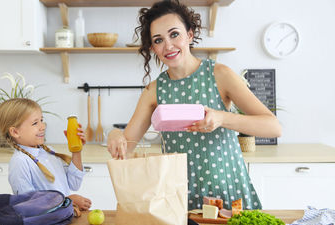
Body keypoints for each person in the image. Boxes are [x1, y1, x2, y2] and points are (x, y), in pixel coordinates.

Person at [107, 0, 281, 210]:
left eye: (174, 34)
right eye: (158, 40)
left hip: (228, 192)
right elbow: (126, 147)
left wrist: (222, 118)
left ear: (189, 34)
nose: (168, 46)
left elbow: (273, 127)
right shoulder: (153, 91)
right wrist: (115, 136)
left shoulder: (220, 75)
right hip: (180, 199)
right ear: (152, 47)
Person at [0, 98, 92, 211]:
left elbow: (74, 184)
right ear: (15, 132)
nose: (43, 126)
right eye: (35, 123)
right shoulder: (20, 162)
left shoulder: (49, 152)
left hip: (63, 217)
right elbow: (28, 205)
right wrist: (67, 200)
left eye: (42, 120)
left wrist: (76, 151)